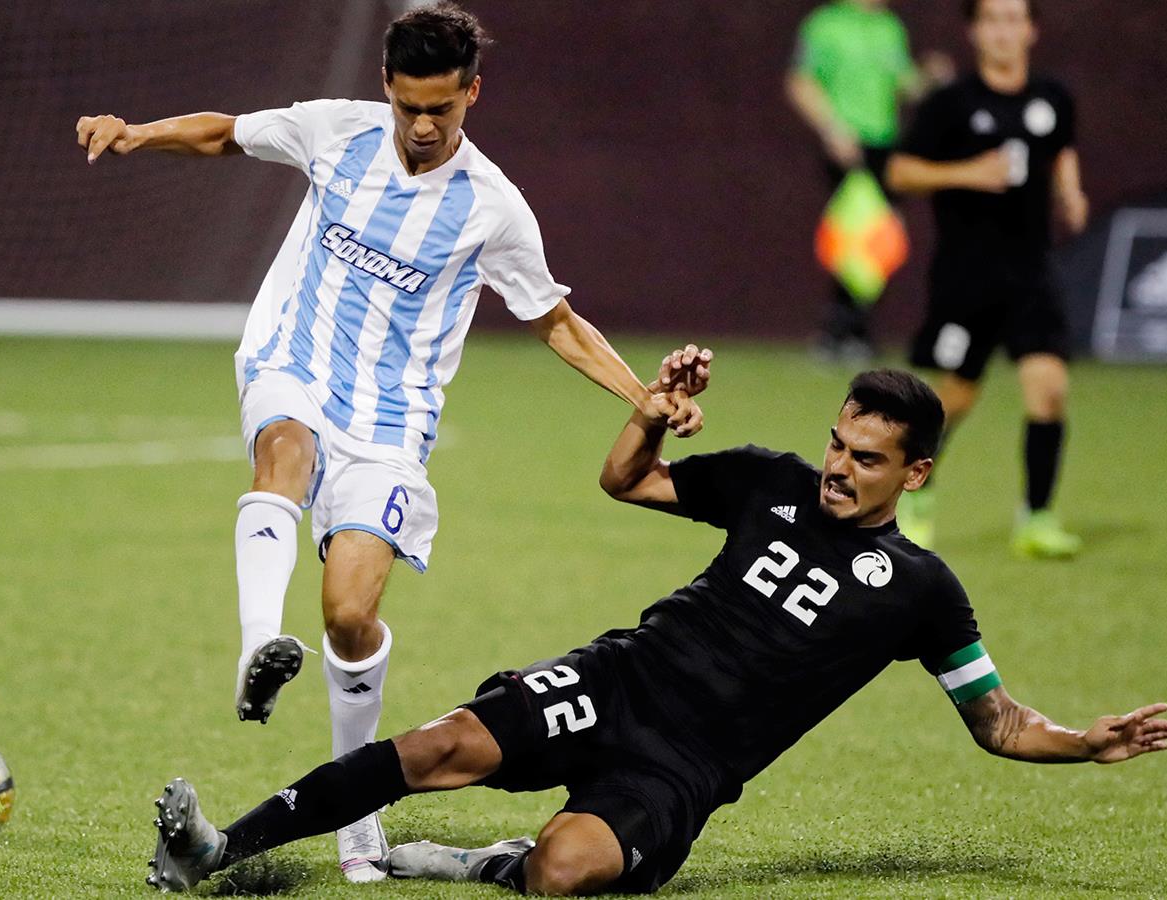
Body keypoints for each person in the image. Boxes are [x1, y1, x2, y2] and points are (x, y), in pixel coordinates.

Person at [74, 2, 704, 881]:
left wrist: (646, 397)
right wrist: (139, 133)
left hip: (390, 425)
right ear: (385, 86)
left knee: (350, 614)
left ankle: (355, 809)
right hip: (292, 364)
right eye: (408, 104)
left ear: (472, 94)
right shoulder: (337, 134)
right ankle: (259, 642)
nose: (420, 124)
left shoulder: (492, 207)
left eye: (439, 109)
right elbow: (228, 134)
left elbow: (554, 320)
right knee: (281, 453)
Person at [141, 364, 1167, 895]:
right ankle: (219, 849)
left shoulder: (920, 588)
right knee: (431, 748)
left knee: (562, 871)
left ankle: (498, 863)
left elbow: (993, 721)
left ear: (914, 475)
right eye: (836, 442)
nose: (836, 466)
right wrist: (650, 408)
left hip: (683, 768)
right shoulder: (768, 482)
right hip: (622, 680)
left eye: (865, 457)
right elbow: (624, 479)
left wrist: (1081, 742)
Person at [886, 0, 1089, 557]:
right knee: (949, 400)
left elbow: (1061, 150)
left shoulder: (1053, 99)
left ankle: (1037, 518)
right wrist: (966, 173)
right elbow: (900, 171)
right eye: (992, 20)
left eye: (1013, 19)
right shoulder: (950, 104)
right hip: (966, 276)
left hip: (1031, 273)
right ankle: (916, 494)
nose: (1004, 31)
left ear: (1031, 29)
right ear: (975, 32)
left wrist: (1071, 192)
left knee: (1049, 389)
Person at [787, 0, 952, 360]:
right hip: (846, 146)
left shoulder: (890, 28)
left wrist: (929, 78)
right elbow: (801, 82)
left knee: (882, 239)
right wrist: (831, 127)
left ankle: (851, 328)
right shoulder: (826, 24)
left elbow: (904, 86)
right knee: (851, 236)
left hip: (884, 146)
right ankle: (840, 330)